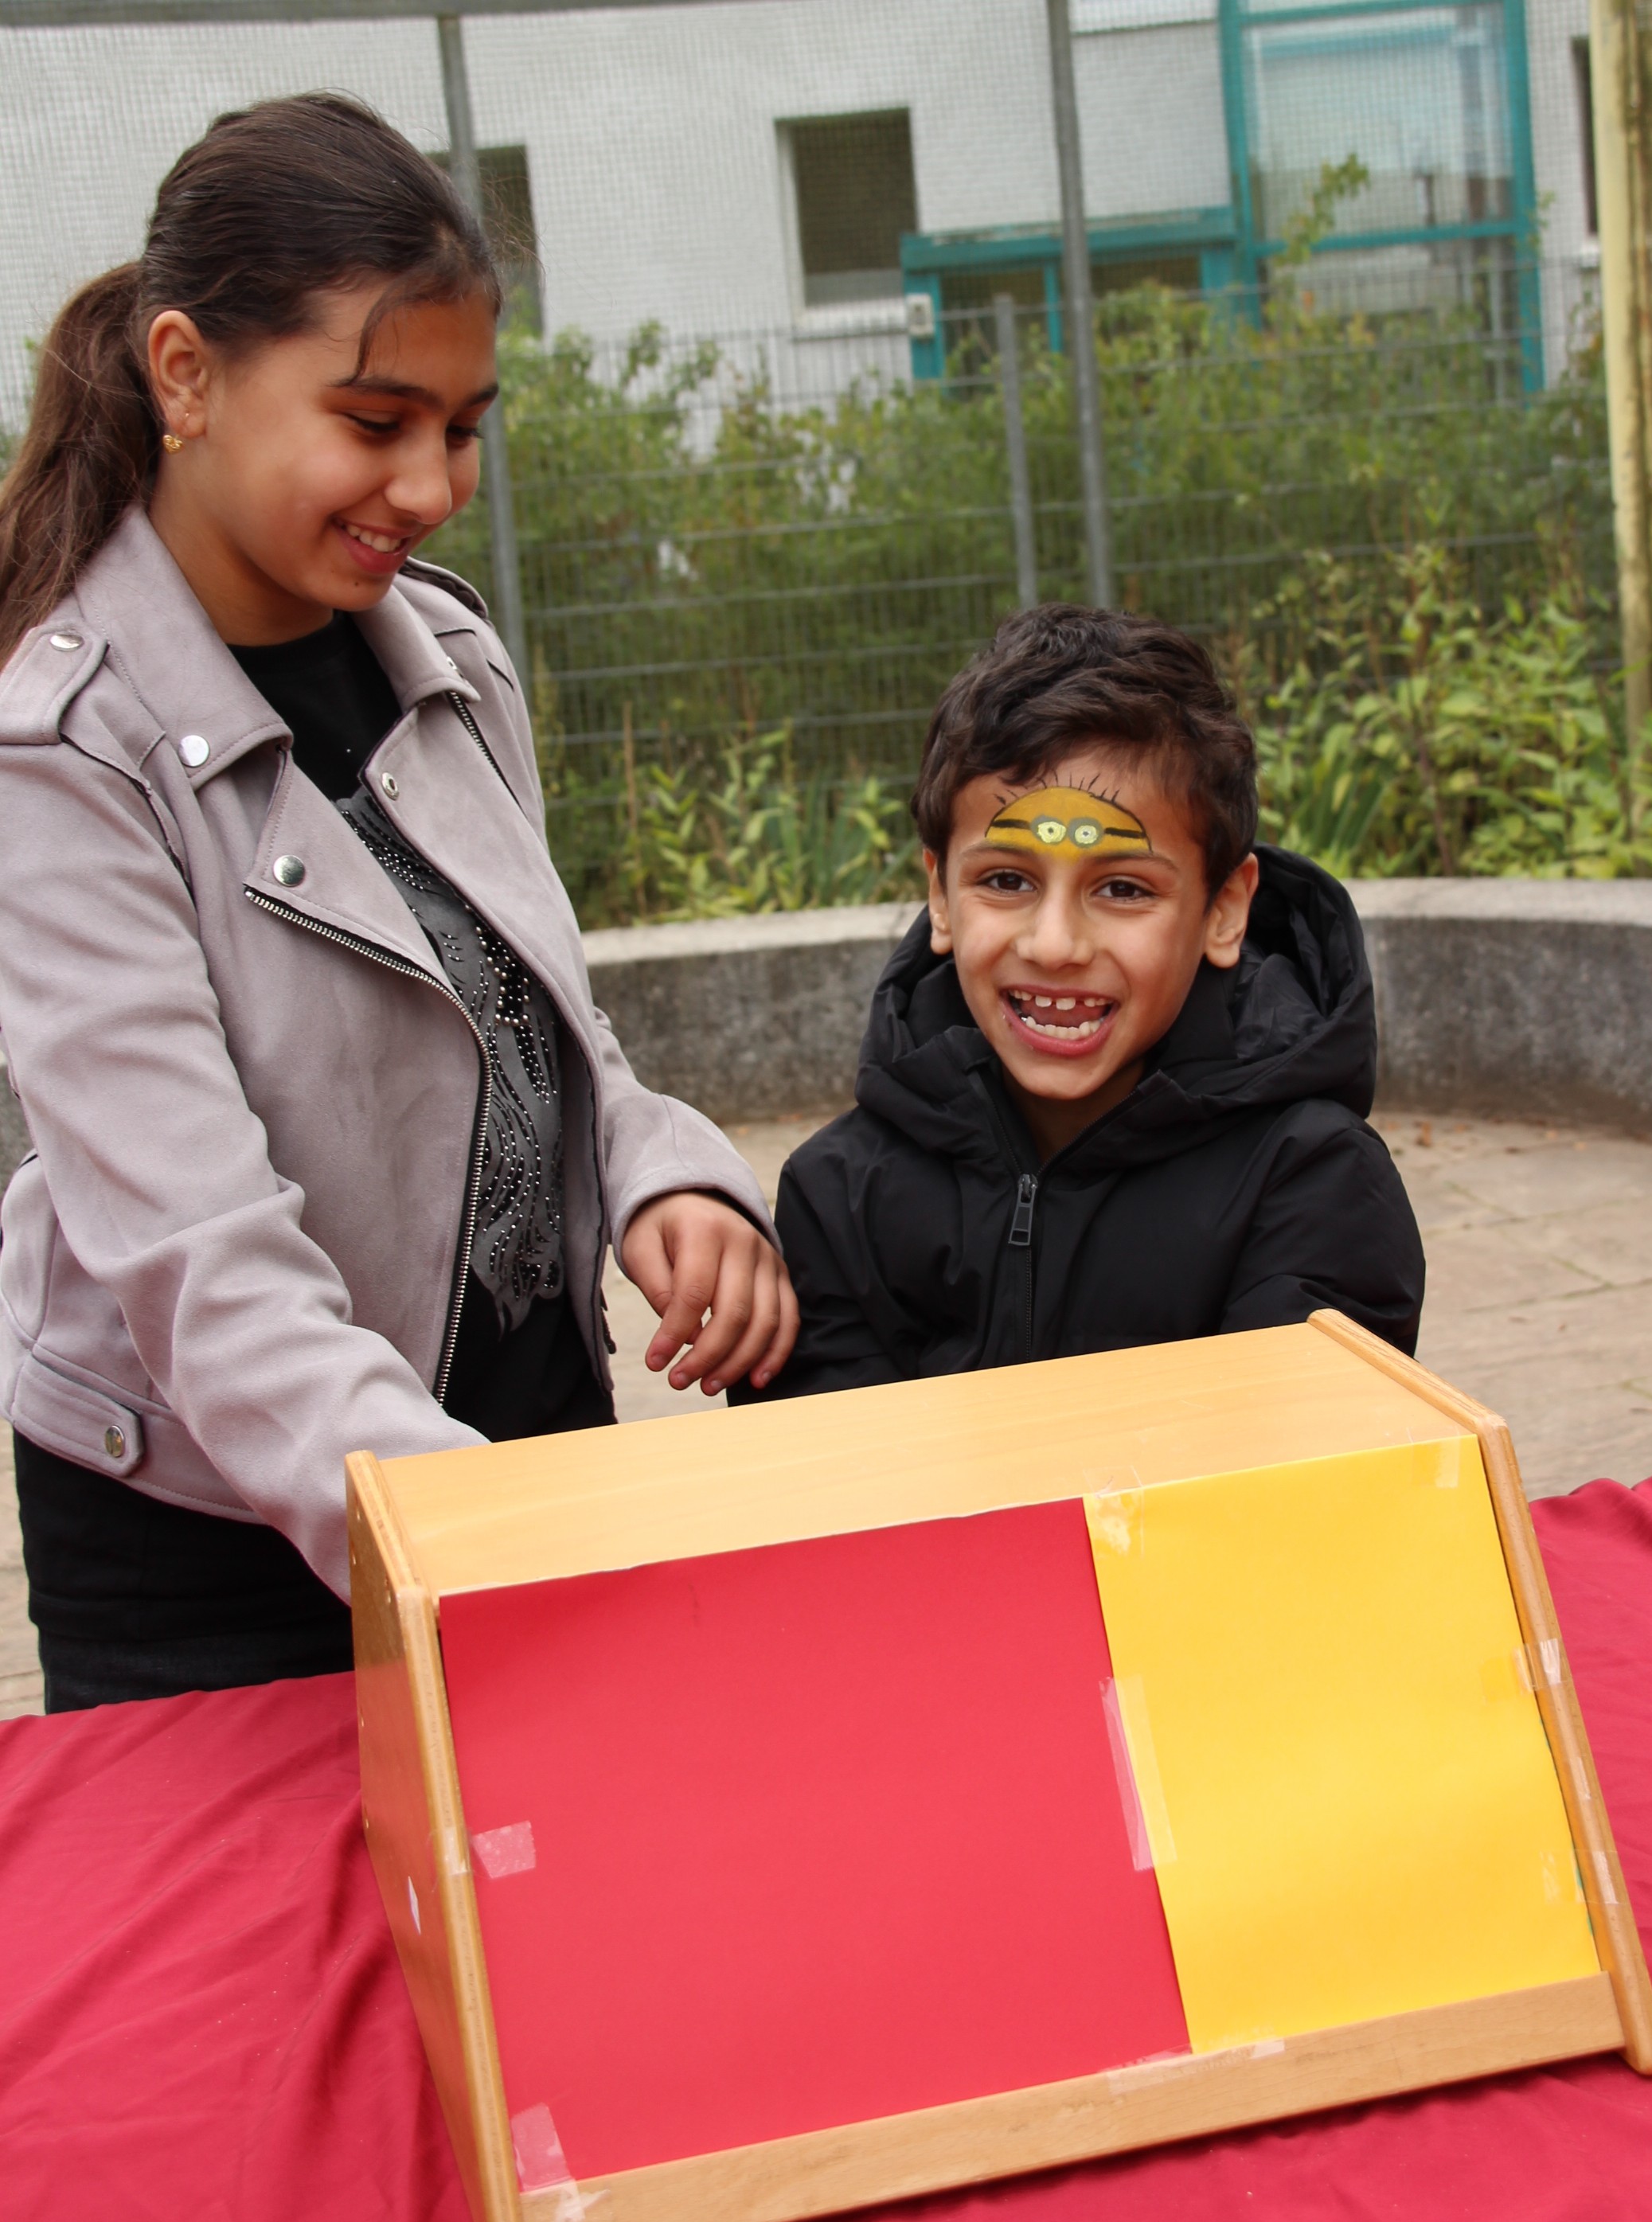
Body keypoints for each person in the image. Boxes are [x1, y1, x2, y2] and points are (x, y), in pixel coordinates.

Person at [0, 94, 795, 1711]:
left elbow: (537, 1022)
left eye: (464, 425)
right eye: (375, 422)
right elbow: (203, 1266)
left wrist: (662, 1176)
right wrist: (473, 1535)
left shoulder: (451, 657)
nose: (431, 483)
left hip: (510, 1457)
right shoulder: (62, 760)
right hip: (226, 1549)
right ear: (184, 375)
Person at [738, 603, 1423, 1400]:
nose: (1055, 944)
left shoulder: (1314, 1184)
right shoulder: (837, 1197)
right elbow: (828, 1472)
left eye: (1123, 888)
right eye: (1005, 880)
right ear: (940, 896)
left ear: (1223, 910)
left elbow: (1296, 1467)